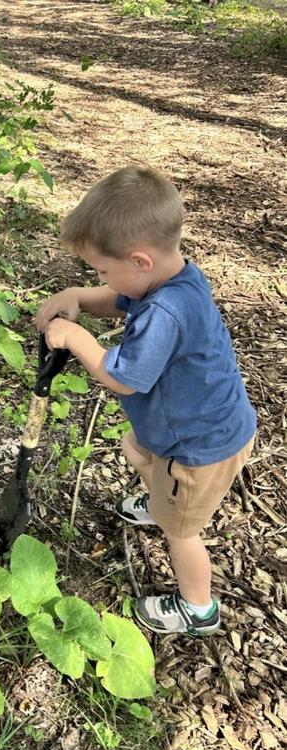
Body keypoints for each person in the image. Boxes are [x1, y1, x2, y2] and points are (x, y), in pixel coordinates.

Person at [36, 166, 256, 637]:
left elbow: (123, 378)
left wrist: (75, 336)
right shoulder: (171, 280)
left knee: (182, 532)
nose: (100, 278)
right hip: (192, 425)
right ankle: (162, 499)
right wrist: (78, 296)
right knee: (135, 447)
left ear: (139, 261)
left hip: (198, 448)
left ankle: (198, 609)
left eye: (101, 270)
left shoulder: (166, 311)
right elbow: (117, 299)